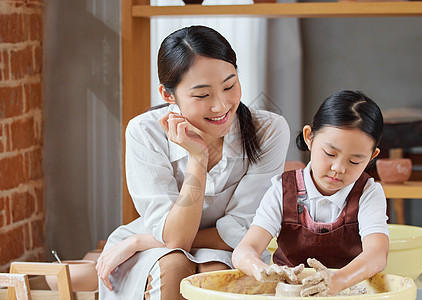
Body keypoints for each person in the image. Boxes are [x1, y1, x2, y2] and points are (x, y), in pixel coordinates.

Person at [96, 25, 290, 299]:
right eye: (202, 95)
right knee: (174, 264)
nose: (221, 105)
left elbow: (238, 231)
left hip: (218, 249)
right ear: (167, 95)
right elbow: (175, 241)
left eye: (230, 85)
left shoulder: (269, 130)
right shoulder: (144, 132)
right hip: (159, 248)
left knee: (214, 273)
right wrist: (198, 159)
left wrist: (138, 240)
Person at [232, 90, 389, 296]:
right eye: (330, 153)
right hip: (288, 292)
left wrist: (338, 281)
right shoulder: (282, 189)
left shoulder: (369, 192)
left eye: (354, 161)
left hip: (347, 291)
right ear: (309, 137)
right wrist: (260, 269)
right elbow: (245, 249)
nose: (338, 168)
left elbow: (377, 254)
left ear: (371, 157)